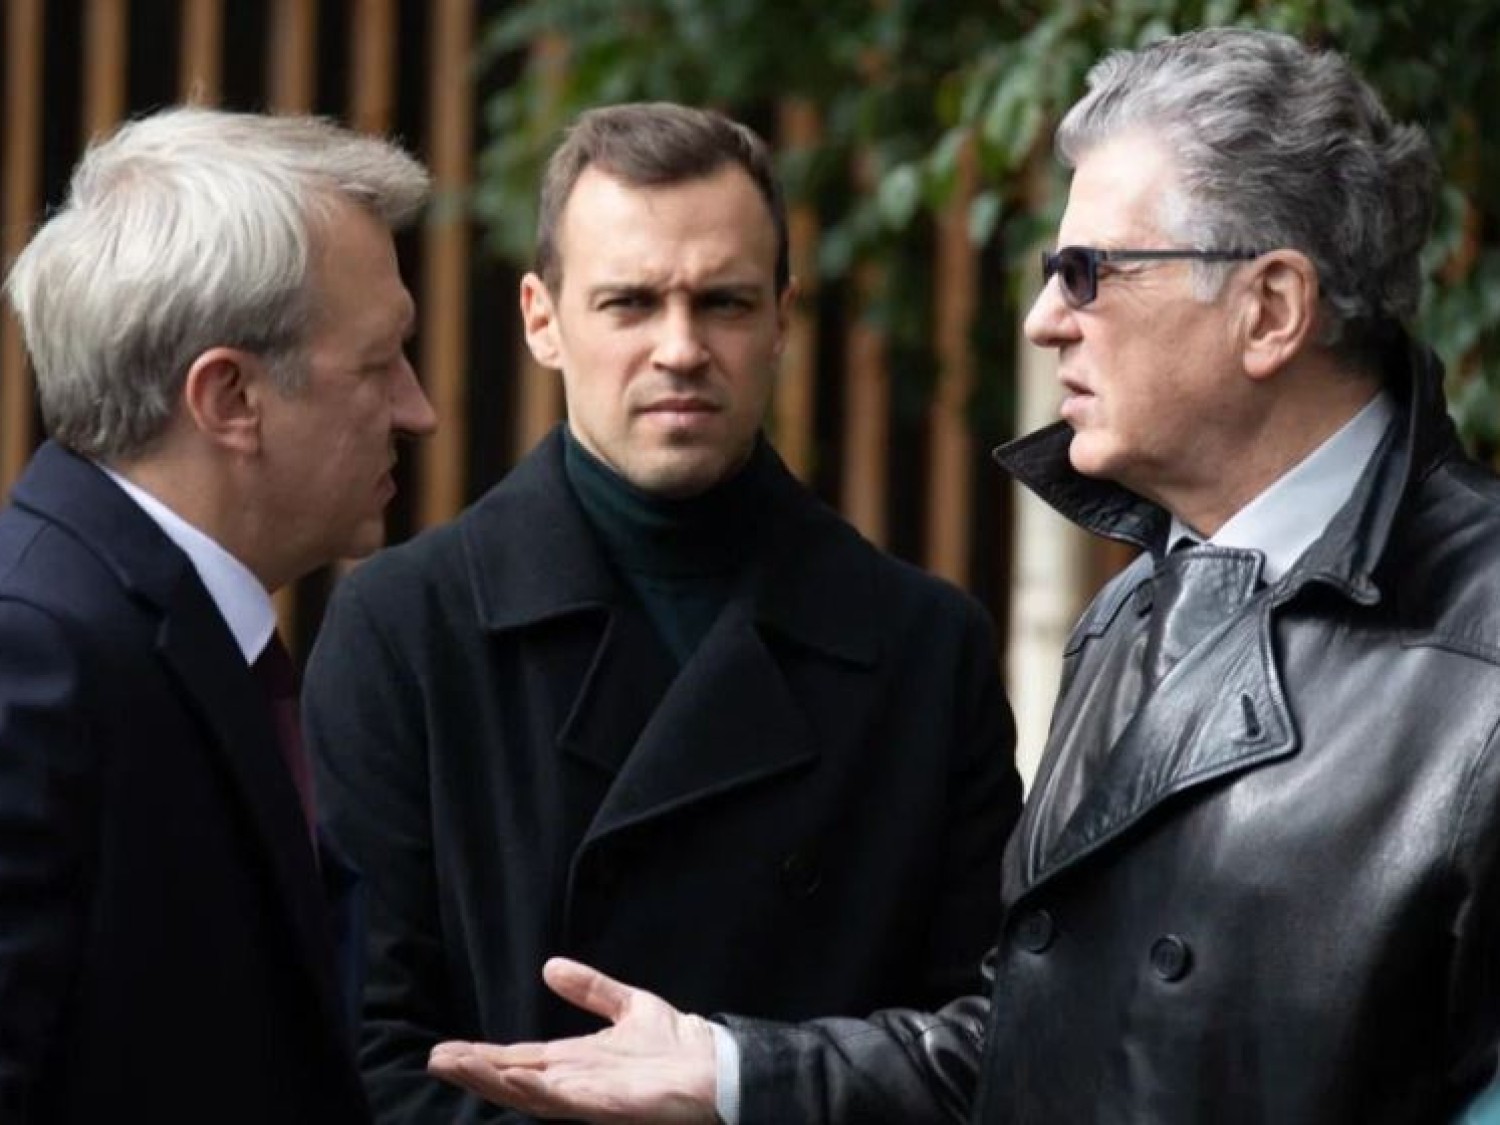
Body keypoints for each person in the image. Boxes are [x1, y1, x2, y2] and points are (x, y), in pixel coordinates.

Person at [425, 27, 1500, 1125]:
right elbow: (1037, 1050)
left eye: (1088, 273)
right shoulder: (1137, 609)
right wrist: (734, 1071)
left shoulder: (1482, 657)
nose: (1043, 322)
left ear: (1268, 309)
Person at [302, 101, 1021, 1122]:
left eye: (723, 302)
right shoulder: (402, 631)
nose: (680, 348)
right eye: (630, 303)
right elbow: (364, 1057)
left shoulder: (924, 648)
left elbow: (991, 1048)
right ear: (542, 319)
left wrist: (739, 1088)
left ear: (781, 318)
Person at [0, 106, 436, 1123]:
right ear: (230, 397)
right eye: (379, 363)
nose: (418, 409)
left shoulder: (134, 632)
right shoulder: (34, 657)